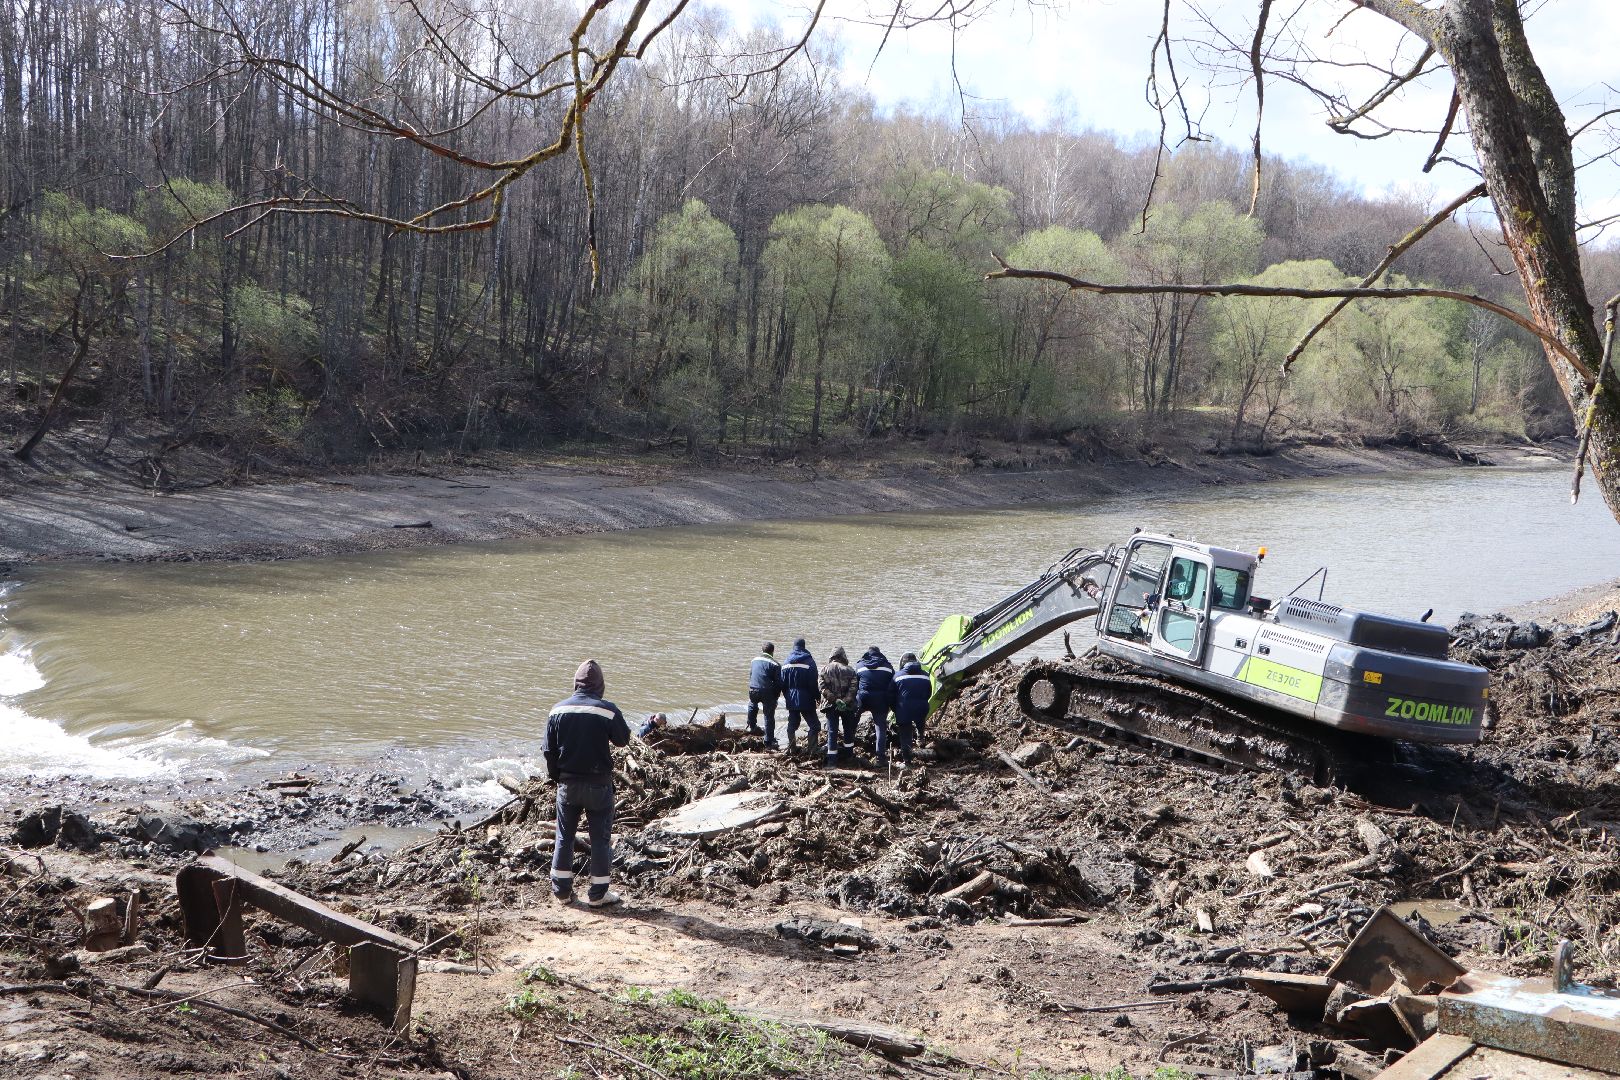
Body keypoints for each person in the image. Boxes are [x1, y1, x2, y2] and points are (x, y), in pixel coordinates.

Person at [542, 659, 630, 907]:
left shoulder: (557, 711)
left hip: (567, 785)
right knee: (600, 839)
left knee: (564, 837)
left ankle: (561, 892)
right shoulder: (607, 710)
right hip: (599, 786)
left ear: (575, 683)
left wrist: (557, 777)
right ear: (600, 685)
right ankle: (598, 894)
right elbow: (623, 739)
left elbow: (548, 751)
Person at [853, 646, 896, 764]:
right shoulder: (888, 666)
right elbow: (892, 685)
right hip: (880, 700)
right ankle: (880, 758)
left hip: (863, 697)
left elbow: (854, 684)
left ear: (868, 653)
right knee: (880, 727)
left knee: (852, 722)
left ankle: (848, 752)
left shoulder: (859, 665)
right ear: (879, 653)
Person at [779, 638, 820, 752]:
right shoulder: (809, 661)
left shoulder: (786, 662)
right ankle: (812, 750)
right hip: (807, 699)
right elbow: (813, 683)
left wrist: (787, 696)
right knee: (815, 725)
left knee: (792, 725)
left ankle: (792, 748)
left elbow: (782, 683)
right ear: (804, 646)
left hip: (791, 699)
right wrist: (817, 697)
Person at [891, 652, 932, 767]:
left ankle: (907, 762)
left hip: (904, 709)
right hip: (922, 707)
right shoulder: (925, 675)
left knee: (905, 735)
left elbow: (890, 695)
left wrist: (895, 709)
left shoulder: (897, 676)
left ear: (903, 663)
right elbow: (929, 692)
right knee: (920, 718)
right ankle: (921, 737)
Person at [819, 646, 858, 764]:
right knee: (848, 730)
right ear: (843, 656)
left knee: (832, 731)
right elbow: (853, 689)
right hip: (847, 706)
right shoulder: (850, 670)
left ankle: (832, 762)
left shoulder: (824, 670)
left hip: (830, 706)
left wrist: (834, 700)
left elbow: (822, 688)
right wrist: (844, 701)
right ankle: (849, 757)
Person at [747, 642, 783, 745]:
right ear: (772, 652)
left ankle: (752, 726)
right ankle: (768, 740)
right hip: (767, 691)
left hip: (753, 688)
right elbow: (778, 683)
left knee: (752, 705)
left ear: (762, 650)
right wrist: (776, 698)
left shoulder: (754, 660)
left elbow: (751, 675)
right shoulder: (775, 664)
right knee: (769, 715)